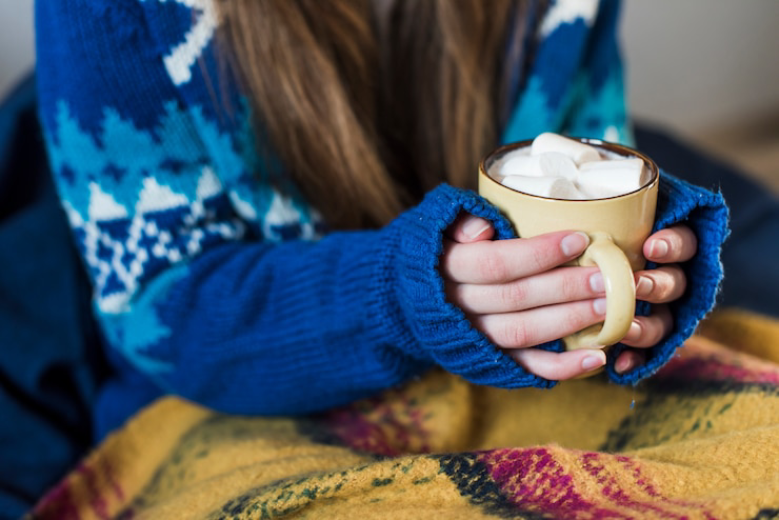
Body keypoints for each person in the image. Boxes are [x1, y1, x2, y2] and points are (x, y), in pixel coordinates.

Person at [33, 0, 725, 445]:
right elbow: (159, 315)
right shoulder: (116, 15)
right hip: (232, 408)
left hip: (521, 399)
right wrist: (396, 297)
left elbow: (582, 168)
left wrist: (638, 275)